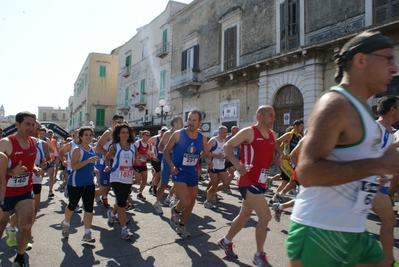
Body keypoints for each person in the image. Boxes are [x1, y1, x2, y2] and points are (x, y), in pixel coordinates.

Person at [286, 31, 399, 267]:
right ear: (361, 60)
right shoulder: (336, 104)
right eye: (387, 59)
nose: (394, 68)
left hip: (352, 230)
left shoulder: (363, 111)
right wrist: (378, 165)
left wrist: (370, 177)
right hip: (321, 231)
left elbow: (350, 164)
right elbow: (307, 173)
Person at [217, 105, 280, 267]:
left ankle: (226, 241)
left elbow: (268, 154)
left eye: (274, 116)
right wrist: (237, 165)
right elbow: (227, 146)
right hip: (247, 180)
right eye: (270, 116)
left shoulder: (273, 135)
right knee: (265, 216)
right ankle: (259, 255)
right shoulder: (249, 132)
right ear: (260, 116)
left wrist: (276, 159)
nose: (273, 119)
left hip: (261, 181)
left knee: (244, 216)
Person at [0, 111, 41, 267]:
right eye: (27, 124)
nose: (30, 127)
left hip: (25, 191)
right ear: (17, 125)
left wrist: (35, 168)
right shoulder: (6, 143)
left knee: (25, 226)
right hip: (5, 193)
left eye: (33, 124)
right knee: (1, 223)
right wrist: (10, 172)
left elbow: (28, 163)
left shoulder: (34, 142)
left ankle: (20, 256)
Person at [163, 110, 212, 238]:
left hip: (192, 173)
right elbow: (166, 151)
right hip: (179, 172)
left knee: (192, 202)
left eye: (194, 120)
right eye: (189, 119)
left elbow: (206, 155)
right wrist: (171, 165)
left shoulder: (202, 138)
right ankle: (176, 209)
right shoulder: (178, 135)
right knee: (186, 200)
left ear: (199, 122)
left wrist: (209, 161)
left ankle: (181, 225)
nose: (190, 122)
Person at [5, 120, 50, 250]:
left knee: (32, 212)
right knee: (19, 213)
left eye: (38, 129)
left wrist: (43, 165)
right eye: (33, 128)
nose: (35, 131)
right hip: (10, 185)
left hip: (33, 181)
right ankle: (13, 228)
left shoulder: (42, 144)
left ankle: (23, 235)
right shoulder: (11, 142)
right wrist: (11, 172)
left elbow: (48, 158)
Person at [371, 96, 399, 266]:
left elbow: (386, 154)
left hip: (381, 185)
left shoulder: (390, 132)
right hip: (368, 183)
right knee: (389, 220)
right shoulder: (375, 128)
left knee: (389, 221)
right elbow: (364, 156)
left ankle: (389, 261)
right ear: (392, 110)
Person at [61, 126, 98, 243]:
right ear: (80, 137)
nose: (88, 137)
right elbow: (74, 166)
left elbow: (90, 164)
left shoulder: (92, 148)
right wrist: (88, 161)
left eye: (90, 135)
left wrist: (95, 169)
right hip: (76, 182)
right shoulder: (77, 149)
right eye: (86, 135)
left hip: (89, 182)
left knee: (89, 208)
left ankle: (87, 233)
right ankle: (66, 223)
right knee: (72, 205)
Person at [104, 124, 136, 240]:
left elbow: (135, 160)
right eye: (122, 132)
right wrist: (107, 166)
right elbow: (107, 158)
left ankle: (112, 214)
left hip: (127, 178)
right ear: (118, 134)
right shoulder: (115, 147)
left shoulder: (133, 147)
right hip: (116, 177)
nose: (125, 134)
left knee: (121, 200)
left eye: (127, 132)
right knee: (122, 202)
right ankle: (124, 229)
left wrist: (137, 164)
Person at [153, 116, 183, 212]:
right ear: (175, 124)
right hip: (167, 161)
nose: (183, 124)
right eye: (180, 122)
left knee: (180, 183)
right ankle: (157, 202)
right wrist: (169, 150)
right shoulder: (168, 134)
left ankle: (173, 199)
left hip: (178, 162)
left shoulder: (182, 134)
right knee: (163, 184)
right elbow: (160, 147)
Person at [95, 114, 124, 208]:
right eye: (119, 122)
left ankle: (120, 208)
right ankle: (88, 197)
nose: (121, 124)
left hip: (118, 164)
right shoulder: (108, 133)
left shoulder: (121, 133)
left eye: (122, 122)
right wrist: (110, 156)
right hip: (106, 162)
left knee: (120, 186)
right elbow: (98, 147)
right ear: (113, 122)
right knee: (104, 187)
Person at [204, 125, 228, 209]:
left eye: (226, 132)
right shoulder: (213, 140)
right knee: (214, 184)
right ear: (220, 132)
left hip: (222, 166)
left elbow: (228, 150)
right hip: (213, 166)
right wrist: (216, 156)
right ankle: (207, 201)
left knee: (226, 183)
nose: (226, 134)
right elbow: (205, 153)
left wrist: (227, 156)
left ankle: (210, 193)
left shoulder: (226, 140)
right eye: (224, 132)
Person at [148, 127, 167, 198]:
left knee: (157, 175)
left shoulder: (168, 139)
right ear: (160, 132)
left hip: (163, 160)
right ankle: (154, 189)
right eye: (163, 131)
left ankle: (152, 186)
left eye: (165, 132)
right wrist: (151, 155)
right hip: (156, 160)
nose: (164, 133)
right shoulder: (155, 138)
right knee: (158, 174)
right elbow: (147, 144)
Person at [132, 130, 151, 201]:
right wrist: (137, 157)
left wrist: (150, 156)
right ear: (142, 136)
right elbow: (132, 151)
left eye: (149, 135)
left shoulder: (148, 145)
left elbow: (147, 154)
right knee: (137, 180)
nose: (148, 137)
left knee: (144, 179)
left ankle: (140, 193)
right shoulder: (138, 143)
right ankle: (128, 185)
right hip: (136, 164)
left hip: (143, 164)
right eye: (146, 135)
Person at [223, 125, 240, 194]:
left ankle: (225, 183)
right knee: (232, 173)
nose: (237, 132)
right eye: (236, 131)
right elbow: (224, 147)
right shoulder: (227, 138)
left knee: (231, 173)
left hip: (236, 159)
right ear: (232, 131)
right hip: (228, 159)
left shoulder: (239, 139)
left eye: (238, 131)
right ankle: (226, 186)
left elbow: (239, 149)